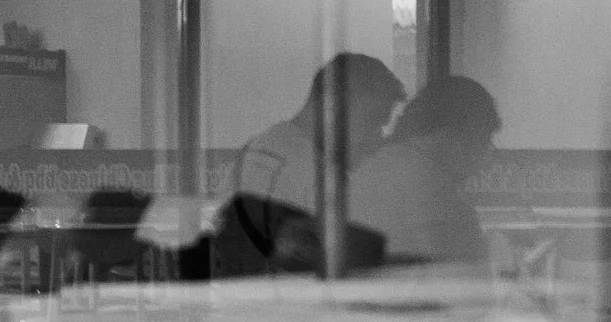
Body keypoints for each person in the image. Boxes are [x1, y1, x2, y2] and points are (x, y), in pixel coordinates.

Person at [212, 53, 406, 276]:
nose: (378, 137)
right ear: (331, 105)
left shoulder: (262, 149)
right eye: (373, 120)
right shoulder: (312, 175)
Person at [349, 75, 501, 269]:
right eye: (485, 139)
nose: (485, 155)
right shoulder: (427, 185)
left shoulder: (383, 165)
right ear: (457, 133)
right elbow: (453, 277)